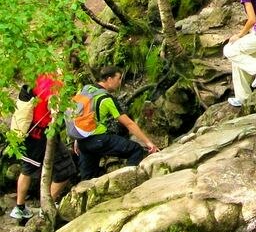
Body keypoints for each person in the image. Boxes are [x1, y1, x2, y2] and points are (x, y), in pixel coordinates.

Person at [68, 67, 160, 181]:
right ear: (109, 79)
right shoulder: (105, 98)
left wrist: (77, 138)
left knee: (88, 178)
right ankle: (128, 181)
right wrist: (149, 143)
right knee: (135, 149)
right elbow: (129, 123)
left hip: (83, 142)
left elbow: (78, 114)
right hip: (98, 140)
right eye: (119, 78)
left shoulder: (86, 89)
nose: (120, 82)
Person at [9, 73, 77, 220]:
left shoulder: (38, 76)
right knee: (66, 169)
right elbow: (60, 111)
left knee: (27, 168)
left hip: (27, 131)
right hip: (42, 134)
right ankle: (45, 207)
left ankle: (20, 208)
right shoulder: (55, 84)